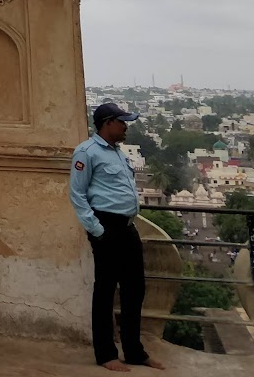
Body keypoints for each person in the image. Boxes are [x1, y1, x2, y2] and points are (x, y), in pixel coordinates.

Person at [70, 102, 164, 371]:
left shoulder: (119, 155)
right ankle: (106, 354)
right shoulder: (86, 153)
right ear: (107, 123)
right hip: (105, 227)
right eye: (122, 122)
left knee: (135, 289)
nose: (125, 126)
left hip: (126, 227)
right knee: (106, 290)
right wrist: (98, 231)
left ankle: (134, 351)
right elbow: (77, 195)